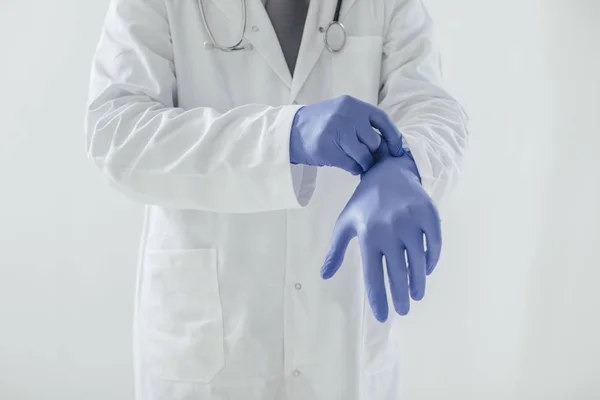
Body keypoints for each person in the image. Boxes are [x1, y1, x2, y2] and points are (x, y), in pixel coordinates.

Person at [84, 0, 468, 398]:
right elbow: (116, 131)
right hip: (212, 349)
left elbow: (430, 105)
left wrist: (408, 163)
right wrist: (286, 135)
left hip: (339, 340)